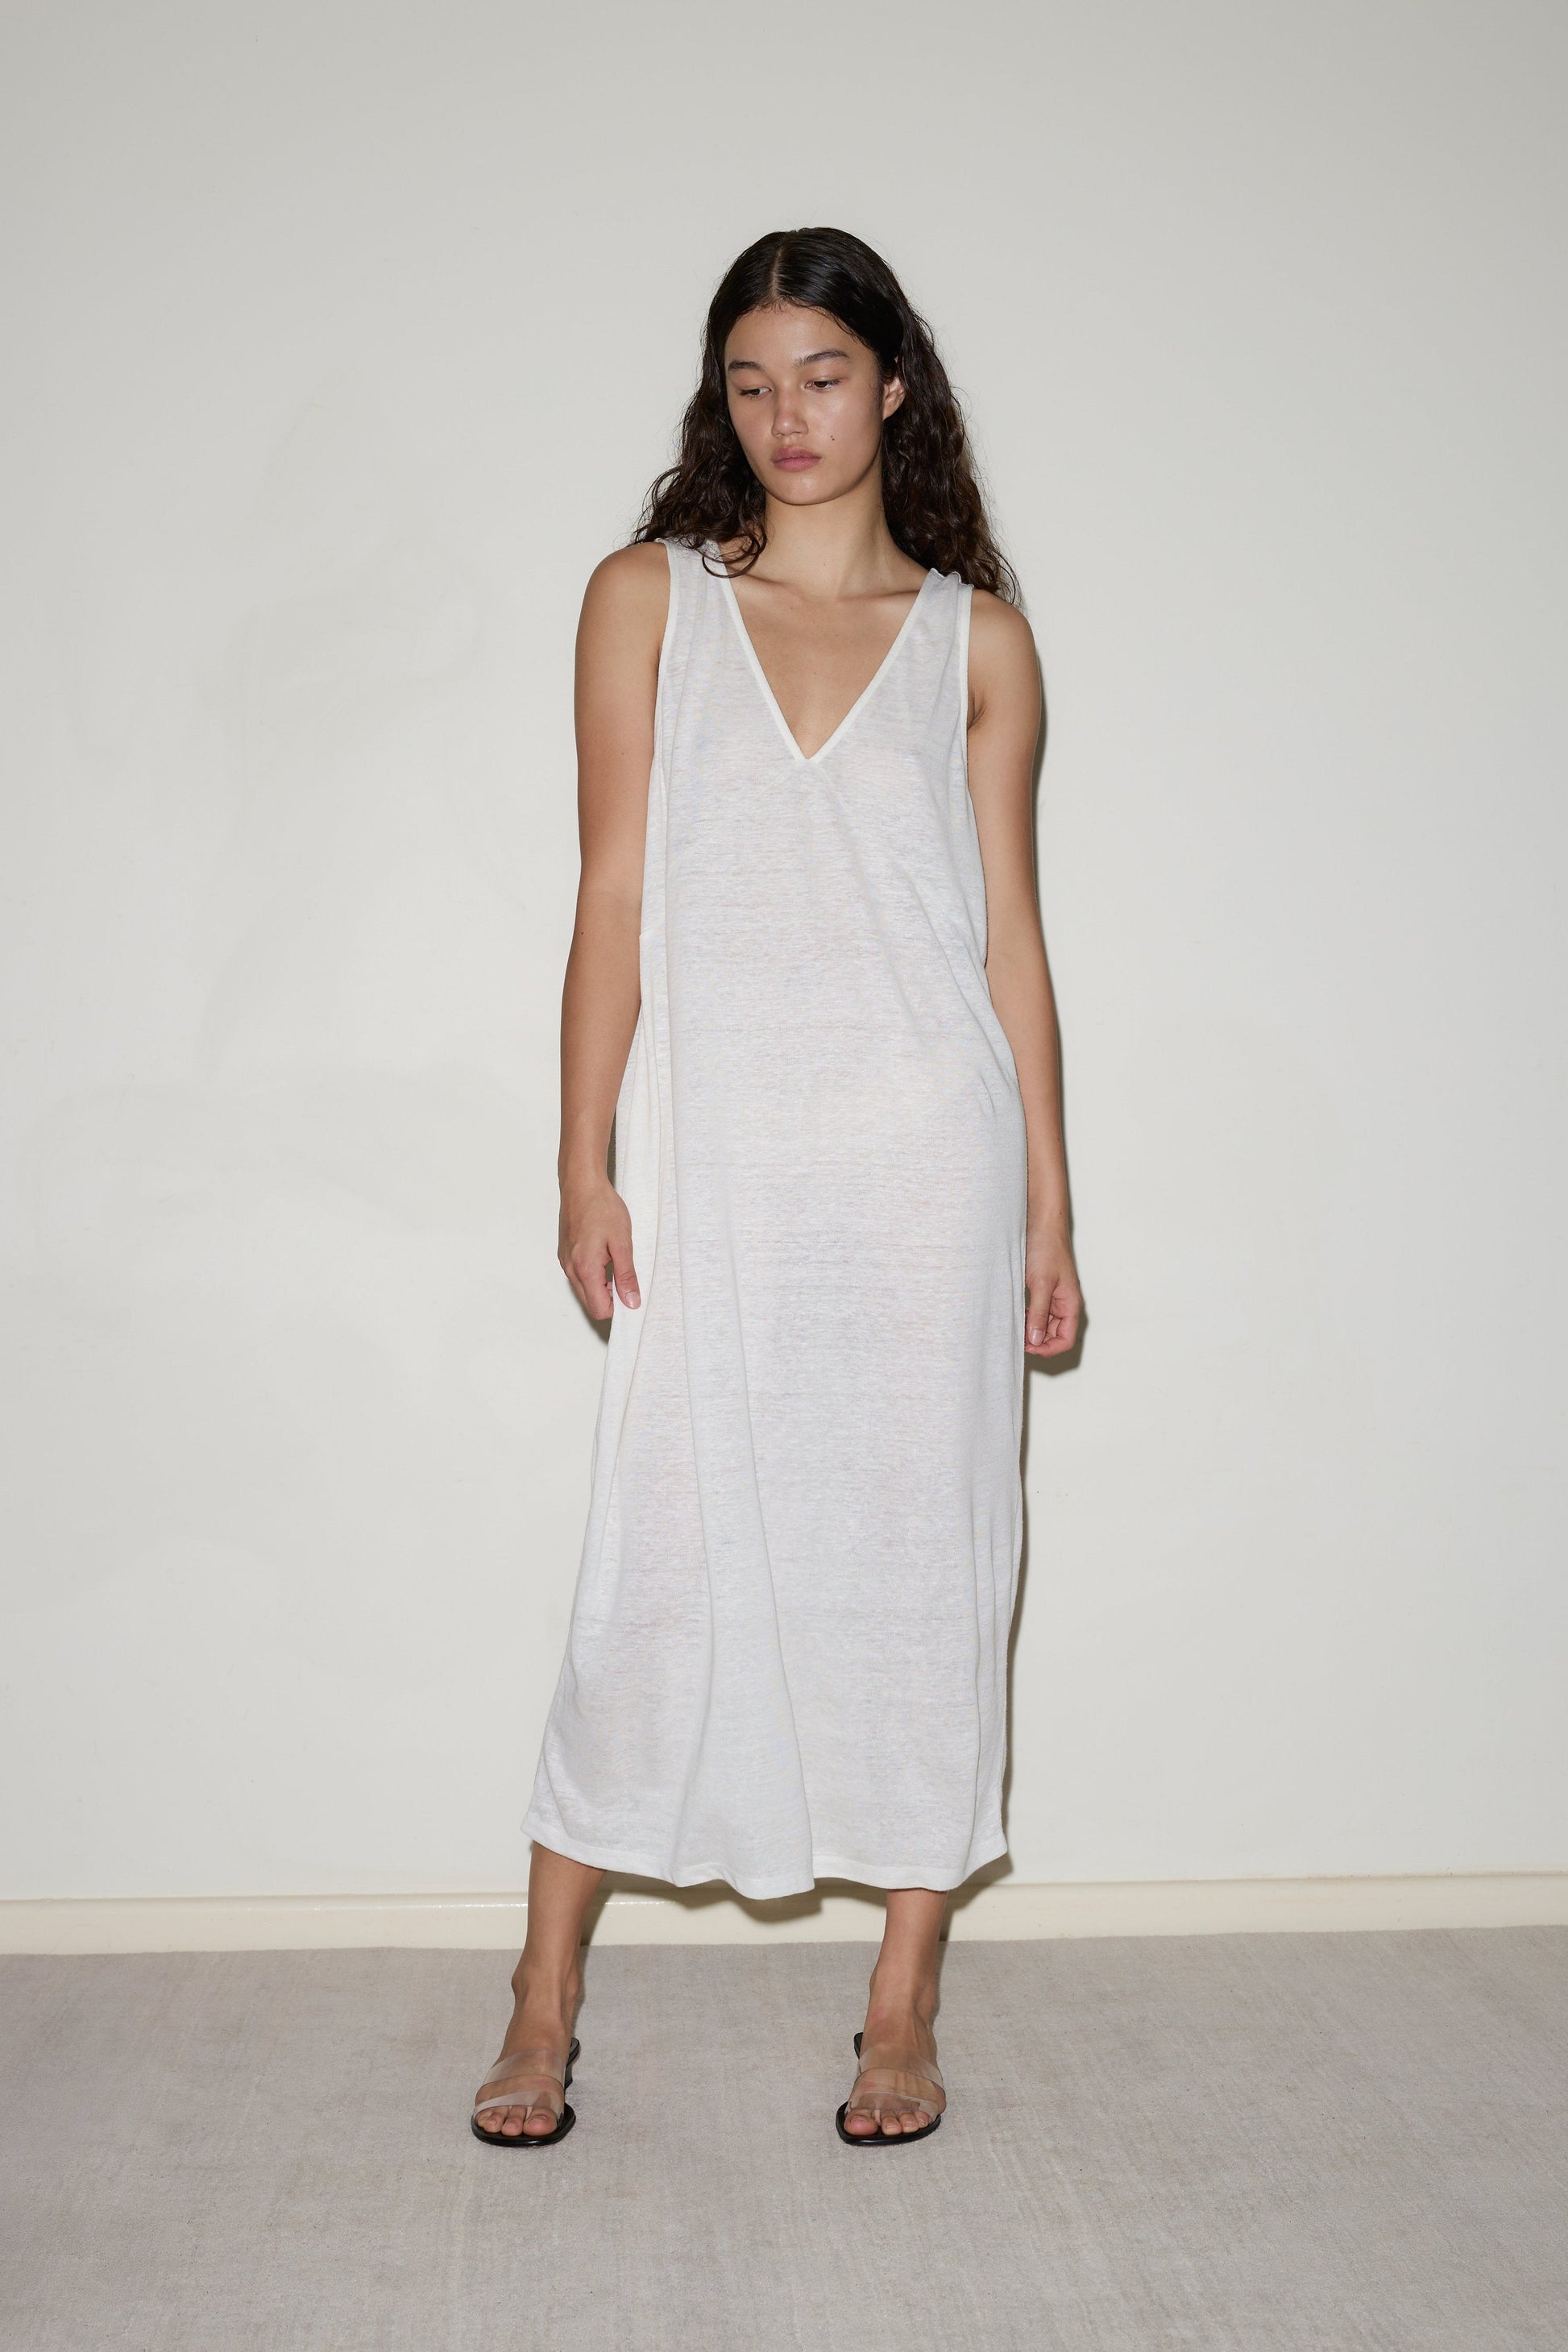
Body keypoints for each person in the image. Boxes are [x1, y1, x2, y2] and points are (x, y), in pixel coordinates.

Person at [471, 226, 1082, 2150]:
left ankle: (900, 2001)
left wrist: (1049, 1206)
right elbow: (612, 892)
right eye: (749, 381)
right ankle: (542, 1991)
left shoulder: (977, 641)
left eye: (821, 374)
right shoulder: (646, 597)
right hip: (721, 1160)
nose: (784, 416)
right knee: (653, 1562)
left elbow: (1007, 942)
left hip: (928, 1161)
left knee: (923, 1556)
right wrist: (580, 1155)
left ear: (892, 385)